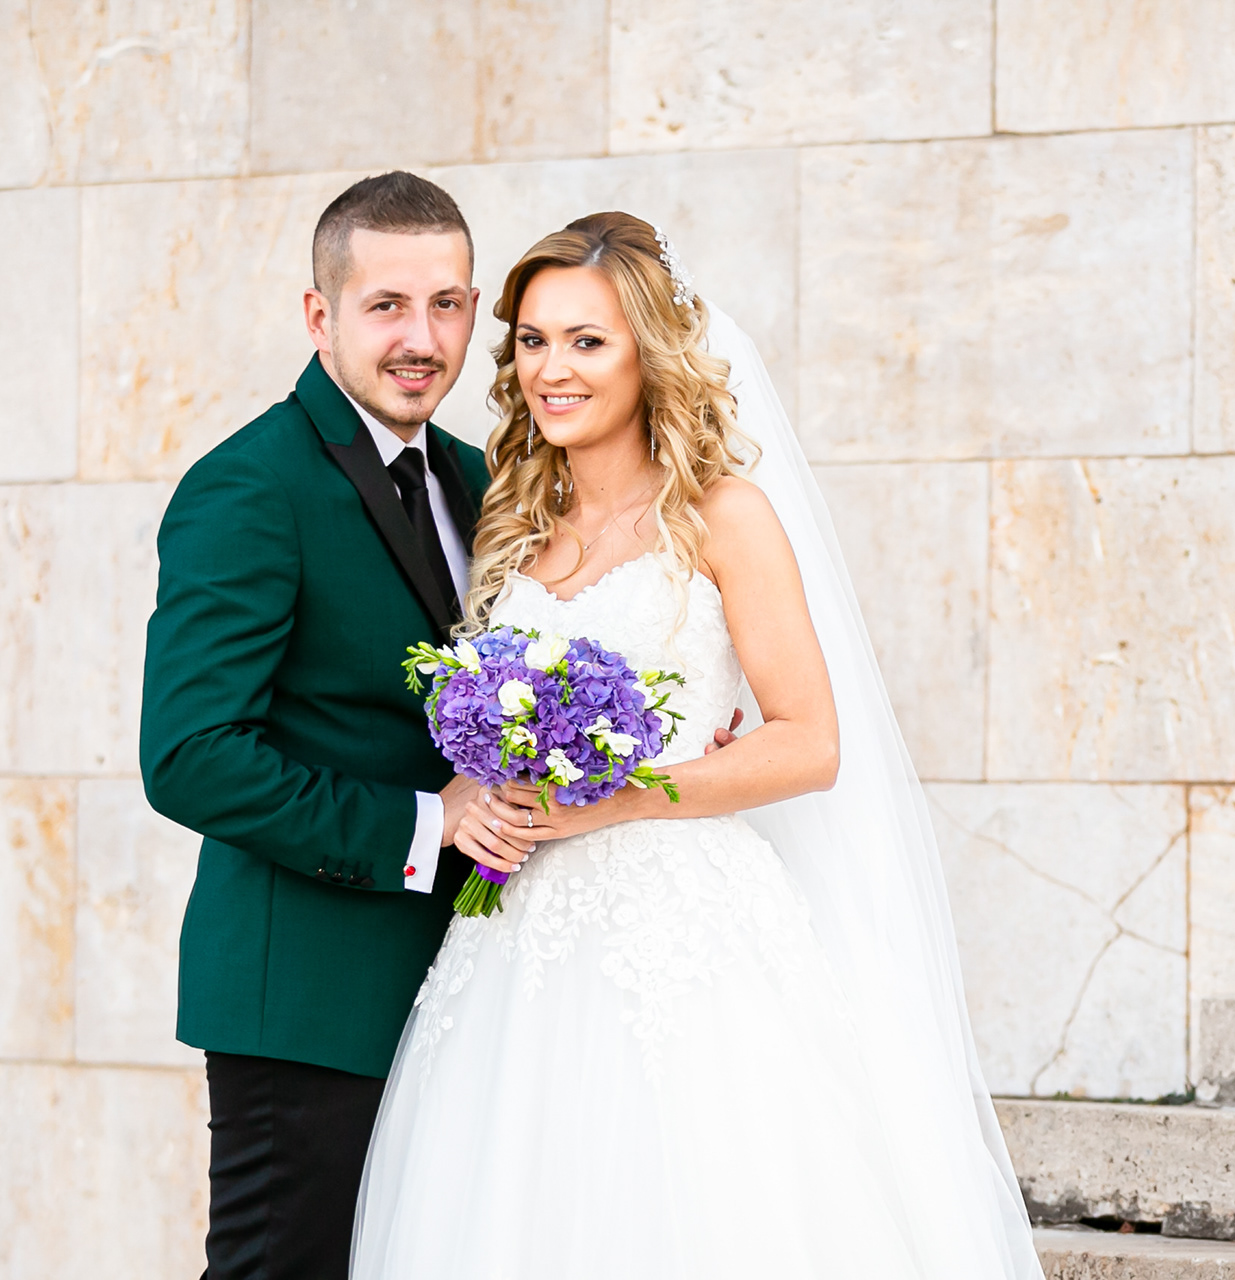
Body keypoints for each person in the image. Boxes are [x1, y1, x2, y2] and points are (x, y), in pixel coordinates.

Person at [350, 212, 1044, 1278]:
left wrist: (627, 793)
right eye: (533, 340)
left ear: (650, 352)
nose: (552, 369)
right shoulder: (513, 523)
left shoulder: (725, 516)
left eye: (588, 340)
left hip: (682, 928)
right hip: (518, 936)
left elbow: (811, 742)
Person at [139, 172, 539, 1277]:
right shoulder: (248, 485)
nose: (422, 338)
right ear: (321, 315)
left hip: (461, 988)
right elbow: (189, 757)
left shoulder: (478, 479)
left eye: (446, 304)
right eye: (387, 305)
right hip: (307, 1003)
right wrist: (427, 822)